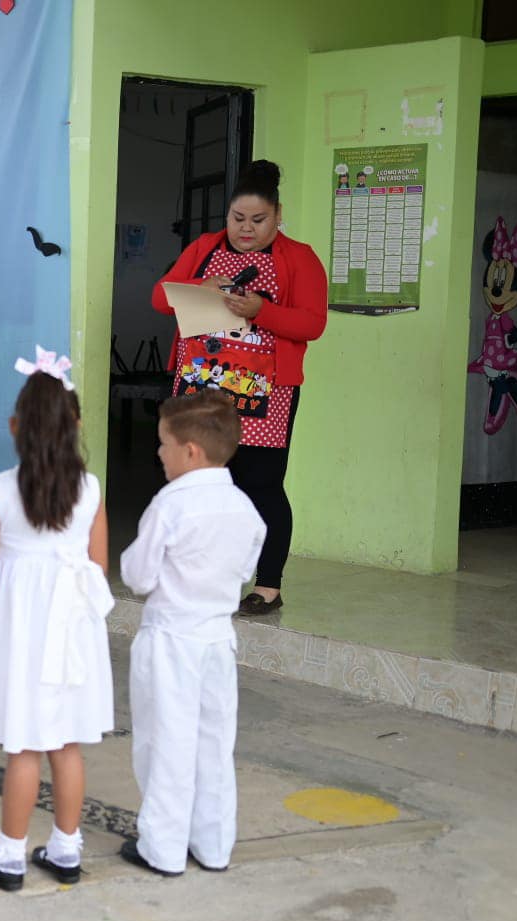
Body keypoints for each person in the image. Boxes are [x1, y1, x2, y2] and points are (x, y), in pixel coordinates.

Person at [0, 366, 114, 891]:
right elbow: (98, 566)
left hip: (19, 630)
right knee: (65, 743)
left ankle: (10, 856)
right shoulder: (90, 490)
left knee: (23, 746)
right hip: (71, 630)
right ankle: (66, 849)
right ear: (77, 425)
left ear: (16, 425)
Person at [151, 159, 327, 616]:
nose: (245, 230)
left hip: (264, 394)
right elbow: (159, 297)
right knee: (201, 483)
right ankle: (203, 576)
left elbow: (312, 323)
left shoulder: (299, 257)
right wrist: (199, 285)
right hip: (201, 388)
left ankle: (268, 583)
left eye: (258, 220)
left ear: (278, 214)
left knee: (262, 484)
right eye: (237, 219)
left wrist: (260, 310)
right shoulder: (206, 247)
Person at [119, 391, 265, 877]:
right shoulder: (245, 508)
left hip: (170, 639)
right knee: (213, 743)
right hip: (218, 642)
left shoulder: (170, 504)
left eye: (163, 444)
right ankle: (214, 844)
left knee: (165, 743)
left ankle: (162, 848)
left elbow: (139, 577)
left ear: (190, 452)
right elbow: (244, 568)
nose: (158, 453)